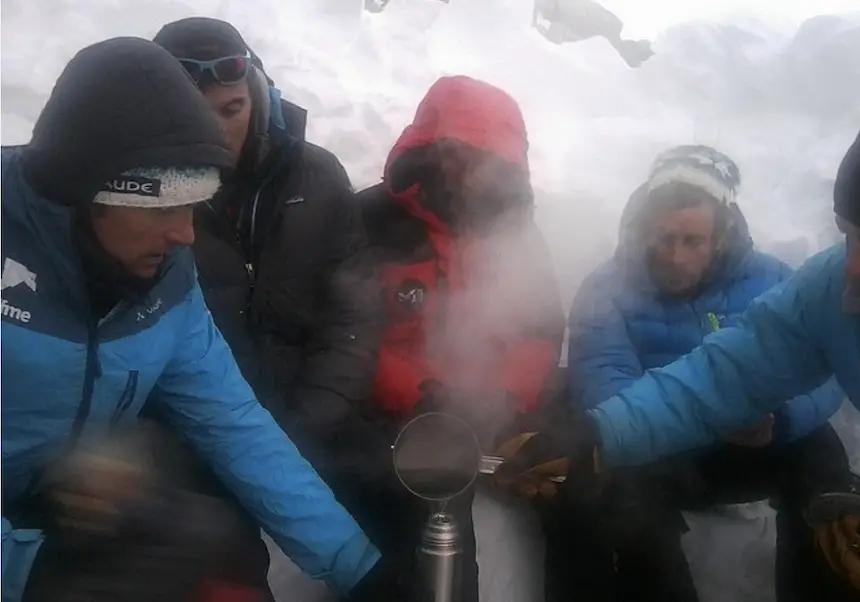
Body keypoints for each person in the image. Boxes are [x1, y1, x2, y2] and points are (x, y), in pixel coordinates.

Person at [496, 75, 860, 601]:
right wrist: (598, 433)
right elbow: (729, 371)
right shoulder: (834, 287)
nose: (854, 266)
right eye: (848, 233)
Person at [0, 37, 393, 601]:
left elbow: (233, 422)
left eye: (194, 206)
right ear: (85, 194)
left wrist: (360, 568)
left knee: (213, 544)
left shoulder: (165, 279)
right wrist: (24, 567)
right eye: (162, 207)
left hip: (64, 510)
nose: (185, 234)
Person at [150, 18, 384, 597]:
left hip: (310, 410)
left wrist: (314, 415)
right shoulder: (141, 200)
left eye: (232, 109)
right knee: (226, 558)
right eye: (197, 115)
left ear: (256, 96)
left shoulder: (317, 178)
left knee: (403, 500)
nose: (218, 131)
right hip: (195, 434)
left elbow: (354, 314)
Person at [555, 144, 847, 602]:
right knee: (621, 484)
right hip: (665, 451)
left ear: (721, 238)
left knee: (821, 454)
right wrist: (682, 424)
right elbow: (602, 381)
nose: (675, 256)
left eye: (692, 242)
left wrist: (780, 419)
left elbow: (826, 369)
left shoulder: (774, 282)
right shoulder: (605, 290)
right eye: (664, 238)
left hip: (756, 440)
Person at [349, 75, 566, 601]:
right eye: (453, 151)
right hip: (398, 413)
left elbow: (541, 328)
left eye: (482, 157)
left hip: (493, 407)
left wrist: (507, 397)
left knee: (580, 480)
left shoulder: (517, 233)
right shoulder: (371, 220)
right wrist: (425, 392)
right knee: (432, 495)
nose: (464, 169)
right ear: (428, 147)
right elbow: (348, 333)